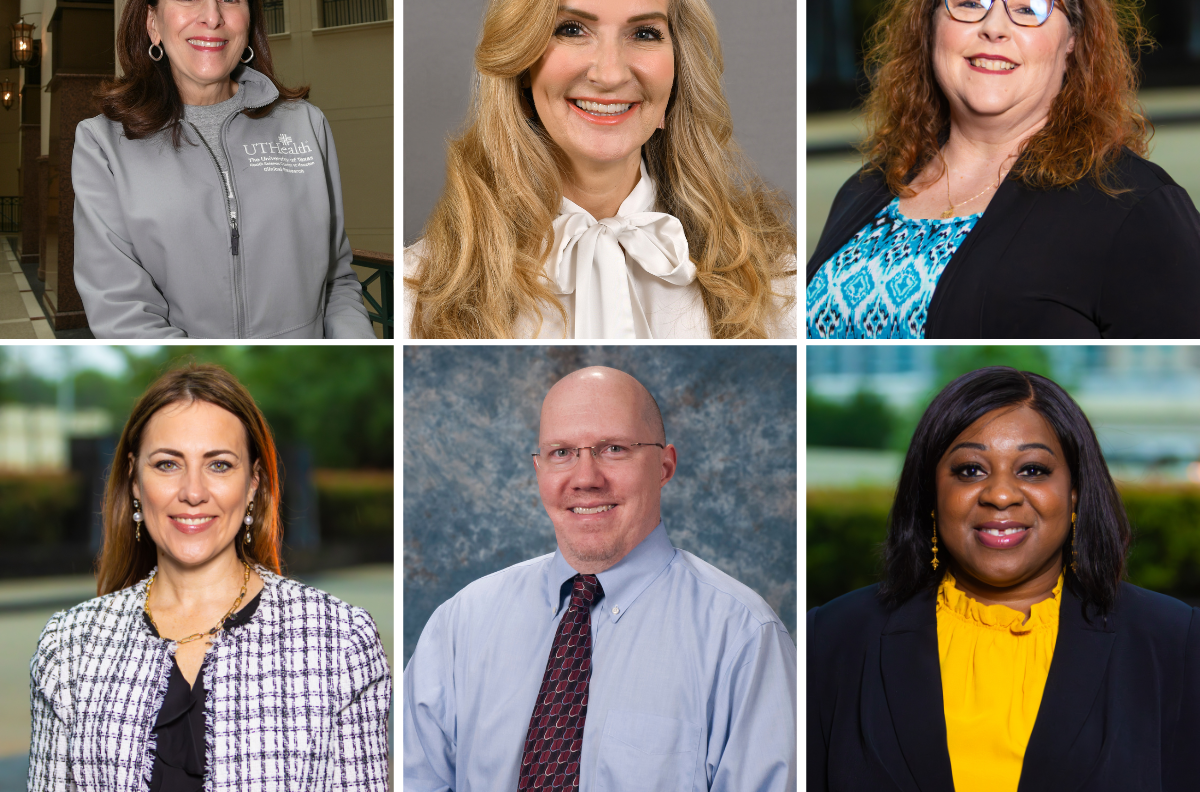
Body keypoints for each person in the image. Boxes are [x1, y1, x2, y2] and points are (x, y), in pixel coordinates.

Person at [403, 0, 796, 340]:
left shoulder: (779, 279)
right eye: (571, 29)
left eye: (644, 33)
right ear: (521, 62)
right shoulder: (415, 291)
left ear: (678, 67)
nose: (609, 74)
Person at [806, 0, 1200, 338]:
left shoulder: (1138, 207)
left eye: (1029, 7)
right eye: (970, 2)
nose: (994, 27)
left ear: (1071, 39)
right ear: (931, 24)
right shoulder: (866, 189)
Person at [808, 366, 1200, 791]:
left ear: (1075, 492)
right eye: (970, 470)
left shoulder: (1175, 644)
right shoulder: (831, 639)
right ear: (931, 493)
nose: (1000, 494)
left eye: (1032, 469)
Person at [404, 366, 796, 790]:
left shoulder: (742, 637)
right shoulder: (461, 624)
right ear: (539, 469)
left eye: (613, 448)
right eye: (562, 453)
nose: (586, 478)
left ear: (665, 466)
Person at [28, 364, 390, 790]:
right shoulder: (69, 649)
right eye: (167, 464)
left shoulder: (339, 641)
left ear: (254, 482)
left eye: (219, 465)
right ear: (135, 479)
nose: (194, 491)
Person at [72, 0, 375, 339]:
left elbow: (337, 279)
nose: (211, 16)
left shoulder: (306, 124)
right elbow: (122, 312)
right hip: (200, 386)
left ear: (248, 21)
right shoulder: (102, 145)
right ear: (153, 23)